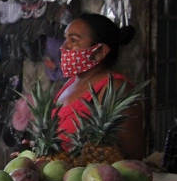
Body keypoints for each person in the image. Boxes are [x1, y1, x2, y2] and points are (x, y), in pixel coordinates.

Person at [54, 12, 144, 160]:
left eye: (73, 40)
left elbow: (132, 156)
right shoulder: (70, 83)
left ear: (100, 51)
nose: (64, 47)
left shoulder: (116, 89)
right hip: (58, 176)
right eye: (65, 39)